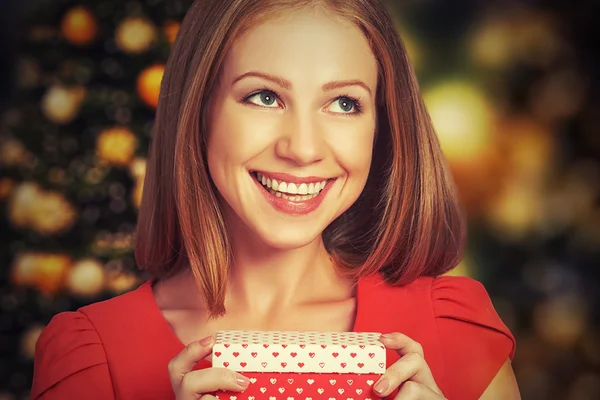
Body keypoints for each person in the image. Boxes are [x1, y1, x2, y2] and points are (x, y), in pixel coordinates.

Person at [31, 0, 520, 399]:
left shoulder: (453, 329)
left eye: (344, 103)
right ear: (198, 110)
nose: (303, 149)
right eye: (264, 96)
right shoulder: (92, 356)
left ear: (382, 129)